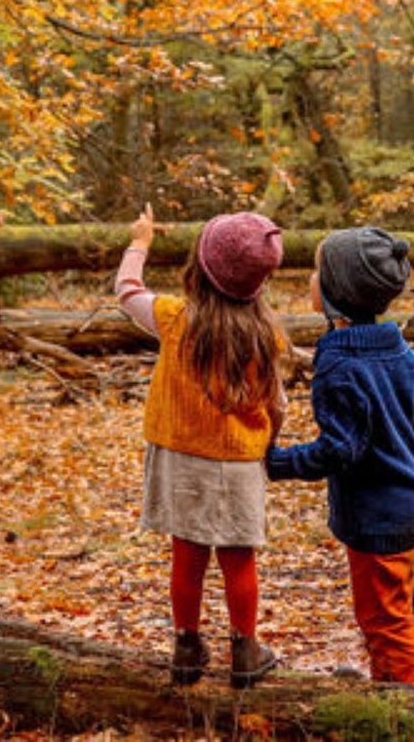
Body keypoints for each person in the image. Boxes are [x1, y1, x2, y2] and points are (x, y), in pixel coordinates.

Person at [264, 227, 414, 684]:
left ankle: (405, 711)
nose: (310, 279)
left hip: (378, 517)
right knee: (390, 609)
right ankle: (387, 684)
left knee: (385, 621)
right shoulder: (402, 354)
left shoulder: (338, 366)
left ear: (337, 293)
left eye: (318, 272)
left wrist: (275, 463)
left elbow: (339, 450)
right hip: (410, 503)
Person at [115, 206, 288, 689]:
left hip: (180, 458)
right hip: (238, 461)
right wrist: (270, 447)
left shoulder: (175, 319)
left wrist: (140, 244)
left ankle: (187, 647)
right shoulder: (265, 335)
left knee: (186, 557)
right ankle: (245, 649)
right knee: (240, 560)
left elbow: (127, 291)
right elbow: (277, 404)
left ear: (202, 268)